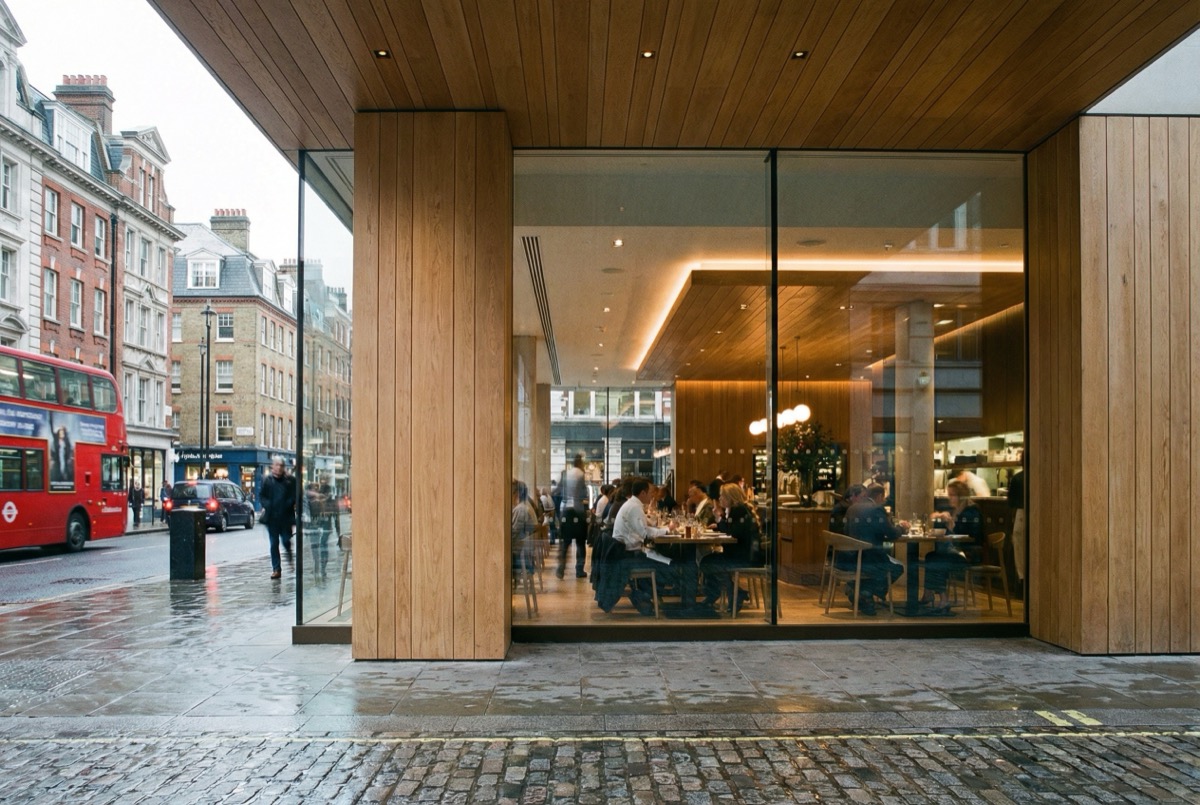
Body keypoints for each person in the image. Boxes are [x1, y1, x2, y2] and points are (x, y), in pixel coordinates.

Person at [610, 478, 674, 615]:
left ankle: (645, 595)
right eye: (651, 492)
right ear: (643, 493)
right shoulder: (634, 507)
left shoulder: (633, 504)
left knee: (665, 560)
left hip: (626, 551)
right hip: (629, 555)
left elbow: (646, 526)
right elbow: (645, 533)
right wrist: (667, 530)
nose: (653, 495)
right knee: (668, 564)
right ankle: (642, 596)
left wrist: (663, 528)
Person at [842, 484, 906, 615]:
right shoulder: (877, 509)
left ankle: (859, 590)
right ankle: (866, 593)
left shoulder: (852, 508)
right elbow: (891, 533)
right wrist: (902, 528)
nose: (884, 500)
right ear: (879, 496)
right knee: (898, 568)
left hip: (852, 559)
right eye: (884, 498)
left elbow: (846, 532)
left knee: (883, 567)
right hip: (870, 559)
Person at [700, 483, 763, 611]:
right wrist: (719, 524)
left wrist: (719, 519)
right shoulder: (739, 509)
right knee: (708, 560)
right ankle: (729, 593)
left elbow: (732, 533)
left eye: (722, 496)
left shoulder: (739, 511)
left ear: (731, 498)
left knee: (708, 562)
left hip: (744, 557)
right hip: (743, 553)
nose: (720, 498)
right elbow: (733, 529)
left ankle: (731, 593)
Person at [922, 480, 983, 609]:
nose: (949, 498)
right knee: (931, 556)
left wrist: (951, 526)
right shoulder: (957, 510)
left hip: (968, 553)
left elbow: (972, 536)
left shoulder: (971, 511)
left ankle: (943, 599)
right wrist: (939, 518)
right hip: (957, 550)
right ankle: (929, 594)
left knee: (937, 559)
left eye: (952, 495)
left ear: (961, 496)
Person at [259, 459, 296, 579]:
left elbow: (294, 495)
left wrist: (288, 504)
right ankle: (276, 569)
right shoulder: (267, 480)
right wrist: (267, 504)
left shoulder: (289, 480)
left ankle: (289, 557)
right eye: (277, 465)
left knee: (286, 541)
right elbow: (262, 496)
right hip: (272, 518)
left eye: (281, 465)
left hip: (285, 518)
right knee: (274, 544)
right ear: (272, 466)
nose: (279, 467)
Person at [556, 454, 589, 579]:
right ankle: (579, 570)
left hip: (566, 510)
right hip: (578, 511)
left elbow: (559, 490)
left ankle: (561, 568)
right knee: (580, 543)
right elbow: (583, 493)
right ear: (581, 463)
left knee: (565, 543)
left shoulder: (566, 474)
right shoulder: (581, 474)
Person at [511, 480, 539, 577]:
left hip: (519, 552)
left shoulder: (520, 509)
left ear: (516, 494)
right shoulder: (525, 506)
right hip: (524, 551)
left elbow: (514, 534)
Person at [1008, 464, 1025, 591]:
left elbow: (1011, 503)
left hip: (1021, 514)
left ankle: (1022, 583)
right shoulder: (1040, 476)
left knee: (1020, 551)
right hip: (1039, 513)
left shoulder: (1018, 478)